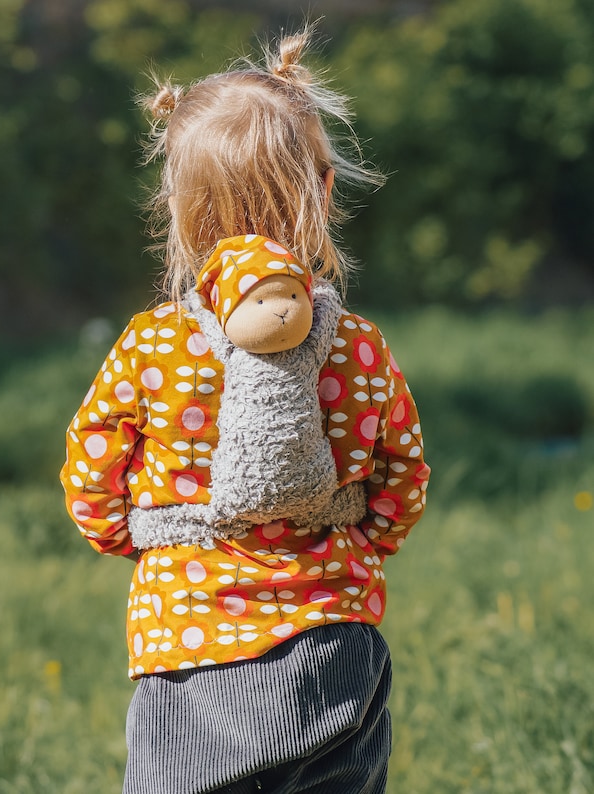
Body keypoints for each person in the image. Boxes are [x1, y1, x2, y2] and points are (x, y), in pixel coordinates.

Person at [61, 27, 430, 794]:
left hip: (191, 645)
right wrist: (366, 538)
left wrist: (126, 536)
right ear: (325, 193)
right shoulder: (358, 346)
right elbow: (403, 473)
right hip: (337, 640)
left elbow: (93, 459)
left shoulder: (152, 345)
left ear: (179, 214)